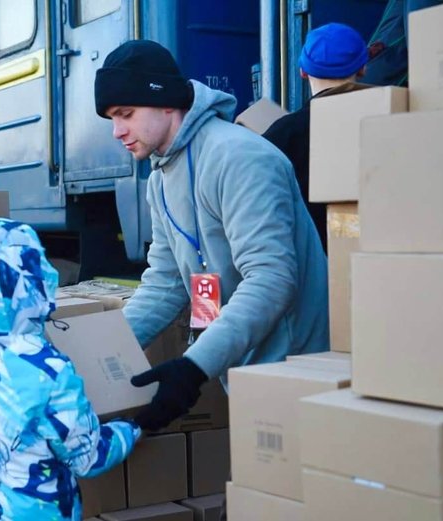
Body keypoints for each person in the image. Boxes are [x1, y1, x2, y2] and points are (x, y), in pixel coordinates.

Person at [94, 40, 329, 432]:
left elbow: (272, 278)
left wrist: (192, 366)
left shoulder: (240, 158)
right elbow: (166, 285)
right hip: (247, 368)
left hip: (297, 366)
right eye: (112, 119)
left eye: (126, 114)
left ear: (166, 101)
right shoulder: (161, 179)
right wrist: (99, 353)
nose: (118, 131)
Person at [0, 218, 141, 520]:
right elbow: (87, 457)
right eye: (38, 262)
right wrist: (135, 426)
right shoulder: (46, 370)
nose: (50, 272)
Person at [262, 22, 369, 251]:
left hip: (308, 269)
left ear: (302, 71)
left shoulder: (280, 135)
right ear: (362, 69)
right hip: (374, 263)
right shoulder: (385, 124)